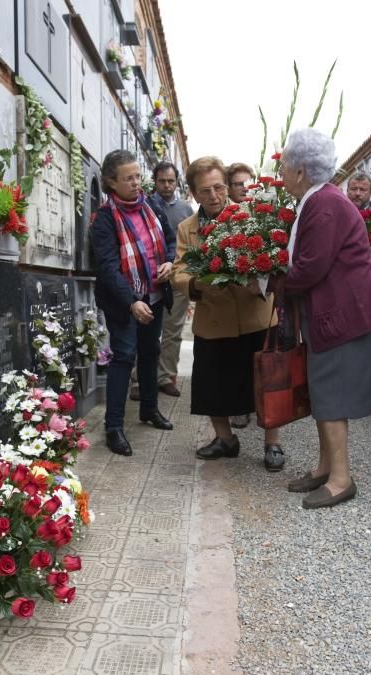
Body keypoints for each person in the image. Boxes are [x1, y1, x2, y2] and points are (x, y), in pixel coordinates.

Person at [278, 128, 371, 508]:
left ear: (301, 171)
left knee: (331, 393)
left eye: (285, 164)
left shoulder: (324, 204)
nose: (280, 171)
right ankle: (326, 467)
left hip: (345, 313)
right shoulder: (320, 199)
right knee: (322, 390)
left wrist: (269, 282)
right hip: (338, 308)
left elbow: (310, 268)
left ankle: (341, 479)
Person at [172, 156, 287, 472]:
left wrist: (260, 282)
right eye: (205, 190)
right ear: (194, 194)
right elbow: (179, 270)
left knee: (266, 382)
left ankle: (272, 443)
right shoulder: (187, 229)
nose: (214, 195)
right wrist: (197, 283)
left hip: (255, 316)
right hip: (213, 320)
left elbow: (277, 260)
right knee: (213, 384)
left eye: (219, 187)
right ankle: (226, 440)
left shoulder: (250, 217)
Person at [91, 150, 176, 456]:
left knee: (151, 352)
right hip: (123, 301)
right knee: (124, 356)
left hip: (153, 294)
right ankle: (114, 427)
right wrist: (130, 302)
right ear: (111, 182)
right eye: (129, 178)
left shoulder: (151, 205)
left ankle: (149, 410)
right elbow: (109, 267)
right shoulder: (104, 219)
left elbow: (169, 239)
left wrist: (169, 261)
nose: (137, 182)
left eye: (139, 176)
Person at [146, 161, 194, 398]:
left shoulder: (186, 210)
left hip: (176, 279)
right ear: (154, 181)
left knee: (173, 331)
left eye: (171, 181)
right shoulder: (145, 205)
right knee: (146, 331)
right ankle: (140, 378)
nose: (167, 185)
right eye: (162, 181)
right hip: (149, 279)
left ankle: (165, 377)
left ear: (177, 182)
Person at [226, 161, 257, 431]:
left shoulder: (264, 215)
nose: (245, 188)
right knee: (234, 358)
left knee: (258, 356)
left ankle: (262, 405)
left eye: (249, 182)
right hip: (229, 299)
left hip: (257, 298)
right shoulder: (222, 216)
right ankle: (239, 407)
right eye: (238, 184)